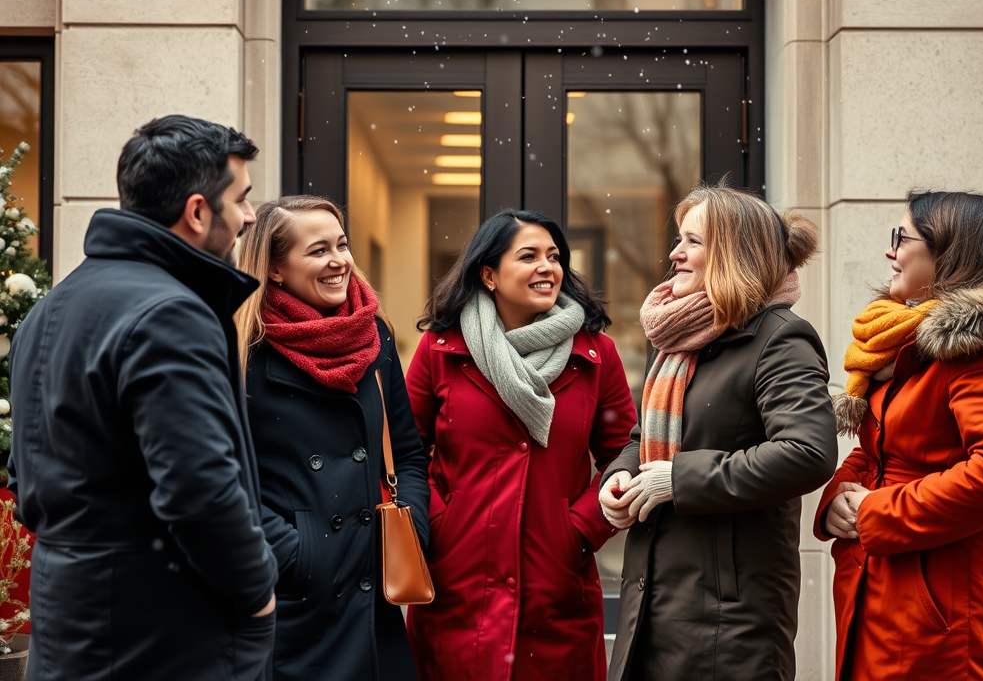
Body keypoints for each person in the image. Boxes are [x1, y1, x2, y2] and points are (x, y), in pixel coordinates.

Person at [8, 115, 277, 681]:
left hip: (71, 616)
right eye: (243, 199)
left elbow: (24, 475)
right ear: (199, 211)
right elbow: (199, 489)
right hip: (160, 631)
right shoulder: (172, 313)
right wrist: (258, 591)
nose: (251, 217)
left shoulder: (51, 307)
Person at [598, 183, 838, 681]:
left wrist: (678, 480)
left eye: (692, 242)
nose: (675, 253)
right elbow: (644, 438)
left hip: (729, 614)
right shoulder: (681, 338)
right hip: (656, 595)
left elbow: (808, 452)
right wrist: (619, 479)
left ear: (732, 253)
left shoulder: (780, 337)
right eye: (678, 240)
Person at [404, 209, 636, 681]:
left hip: (557, 586)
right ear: (488, 274)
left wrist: (579, 530)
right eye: (528, 256)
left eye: (554, 257)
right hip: (458, 583)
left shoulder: (594, 353)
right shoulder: (441, 350)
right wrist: (439, 522)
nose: (547, 268)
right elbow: (405, 452)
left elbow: (625, 453)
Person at [815, 190, 983, 681]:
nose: (890, 251)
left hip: (949, 606)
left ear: (949, 252)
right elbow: (879, 452)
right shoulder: (909, 343)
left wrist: (875, 512)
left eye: (901, 238)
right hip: (892, 589)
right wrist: (839, 497)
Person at [236, 195, 428, 681]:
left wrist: (412, 533)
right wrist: (295, 553)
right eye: (318, 250)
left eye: (341, 245)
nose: (339, 261)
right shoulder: (242, 347)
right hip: (296, 598)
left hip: (372, 589)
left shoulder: (373, 335)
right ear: (275, 269)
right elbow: (225, 474)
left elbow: (406, 451)